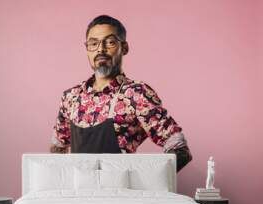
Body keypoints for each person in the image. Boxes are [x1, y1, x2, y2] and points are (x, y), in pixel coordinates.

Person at [49, 15, 192, 172]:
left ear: (124, 48)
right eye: (93, 43)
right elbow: (57, 149)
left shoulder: (136, 94)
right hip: (80, 194)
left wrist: (144, 182)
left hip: (120, 194)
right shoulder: (71, 97)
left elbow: (180, 149)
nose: (100, 49)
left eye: (109, 42)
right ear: (87, 49)